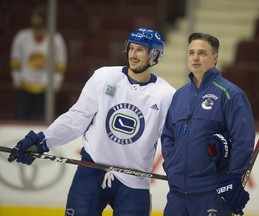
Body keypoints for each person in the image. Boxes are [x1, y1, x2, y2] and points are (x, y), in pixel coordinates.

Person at [7, 27, 176, 216]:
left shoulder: (166, 95)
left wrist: (180, 170)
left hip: (134, 181)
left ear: (154, 55)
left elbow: (171, 142)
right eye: (131, 48)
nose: (133, 55)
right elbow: (77, 117)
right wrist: (43, 141)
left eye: (140, 50)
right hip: (91, 170)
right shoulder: (104, 77)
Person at [161, 32, 255, 216]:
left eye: (202, 53)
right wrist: (172, 166)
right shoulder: (179, 95)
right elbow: (168, 136)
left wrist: (233, 176)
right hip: (177, 194)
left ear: (215, 58)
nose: (195, 58)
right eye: (191, 52)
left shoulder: (231, 94)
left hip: (211, 193)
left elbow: (242, 140)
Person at [10, 4, 67, 121]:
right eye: (34, 25)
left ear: (46, 24)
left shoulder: (56, 39)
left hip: (45, 87)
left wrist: (56, 82)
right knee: (20, 116)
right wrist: (17, 79)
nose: (36, 29)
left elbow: (60, 64)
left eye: (39, 26)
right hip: (25, 84)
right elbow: (15, 61)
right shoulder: (21, 37)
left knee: (42, 120)